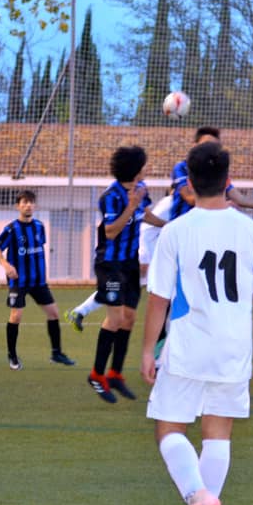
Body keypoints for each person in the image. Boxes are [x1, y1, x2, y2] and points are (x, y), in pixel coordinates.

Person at [141, 141, 253, 505]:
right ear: (227, 179)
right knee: (218, 434)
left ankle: (198, 496)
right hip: (233, 349)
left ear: (189, 182)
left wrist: (148, 350)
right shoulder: (252, 232)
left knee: (169, 429)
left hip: (187, 348)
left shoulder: (175, 232)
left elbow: (158, 299)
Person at [86, 145, 166, 403]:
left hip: (130, 263)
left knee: (129, 318)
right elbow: (110, 231)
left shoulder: (141, 189)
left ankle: (115, 374)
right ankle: (96, 375)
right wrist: (130, 207)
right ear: (135, 169)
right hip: (110, 265)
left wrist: (169, 226)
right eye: (143, 165)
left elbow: (146, 215)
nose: (146, 169)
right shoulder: (110, 196)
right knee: (116, 317)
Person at [64, 189, 172, 333]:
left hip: (144, 258)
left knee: (117, 290)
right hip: (136, 257)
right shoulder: (168, 203)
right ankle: (80, 312)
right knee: (116, 290)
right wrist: (144, 257)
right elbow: (145, 229)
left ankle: (79, 312)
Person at [0, 189, 76, 370]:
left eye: (31, 202)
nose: (28, 205)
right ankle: (12, 356)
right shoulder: (11, 229)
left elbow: (37, 249)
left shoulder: (39, 226)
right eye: (24, 202)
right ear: (18, 206)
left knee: (53, 313)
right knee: (16, 316)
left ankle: (56, 353)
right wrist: (6, 265)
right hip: (19, 281)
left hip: (38, 282)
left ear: (35, 205)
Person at [169, 126, 253, 221]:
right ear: (195, 146)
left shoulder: (218, 171)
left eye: (214, 146)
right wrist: (222, 204)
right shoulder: (181, 168)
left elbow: (241, 199)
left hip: (205, 228)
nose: (209, 149)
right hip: (182, 229)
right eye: (206, 144)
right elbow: (190, 198)